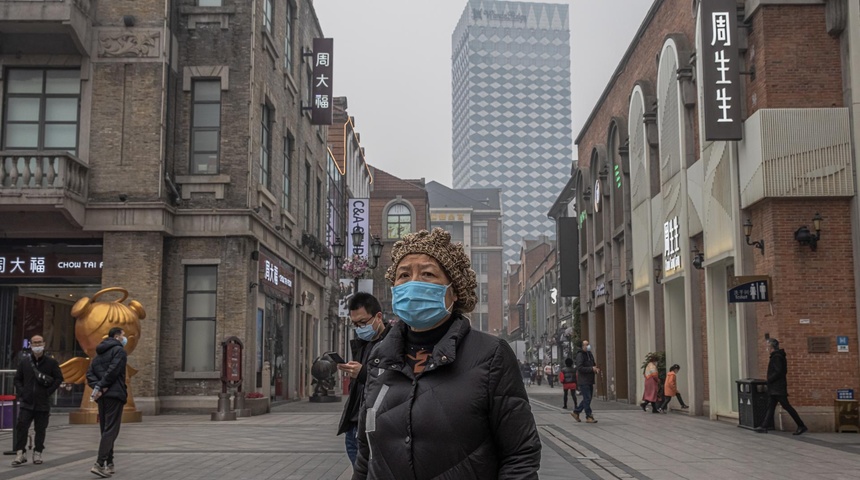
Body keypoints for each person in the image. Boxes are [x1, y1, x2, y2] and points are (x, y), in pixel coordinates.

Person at [352, 228, 541, 479]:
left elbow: (520, 456)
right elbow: (367, 454)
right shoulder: (380, 358)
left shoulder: (490, 355)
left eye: (428, 273)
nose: (413, 283)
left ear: (454, 291)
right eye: (404, 274)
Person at [336, 292, 391, 466]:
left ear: (378, 317)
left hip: (374, 428)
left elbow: (392, 382)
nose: (359, 328)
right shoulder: (362, 344)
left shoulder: (393, 344)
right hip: (354, 425)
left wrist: (362, 373)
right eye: (355, 324)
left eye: (363, 322)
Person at [11, 335, 63, 467]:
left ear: (44, 344)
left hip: (42, 402)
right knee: (22, 426)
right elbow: (17, 379)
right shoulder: (25, 362)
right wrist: (22, 391)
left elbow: (58, 378)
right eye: (35, 343)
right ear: (30, 345)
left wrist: (48, 392)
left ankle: (38, 451)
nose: (37, 345)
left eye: (39, 342)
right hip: (27, 401)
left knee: (41, 429)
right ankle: (20, 452)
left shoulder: (51, 362)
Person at [86, 327, 129, 477]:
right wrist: (102, 386)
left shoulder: (98, 355)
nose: (125, 338)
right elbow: (113, 370)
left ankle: (109, 463)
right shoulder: (119, 351)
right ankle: (99, 463)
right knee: (111, 429)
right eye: (124, 335)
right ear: (117, 336)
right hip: (114, 394)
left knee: (105, 429)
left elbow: (89, 374)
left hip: (102, 397)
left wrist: (98, 387)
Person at [755, 338, 808, 435]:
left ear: (771, 347)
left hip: (777, 387)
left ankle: (801, 425)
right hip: (775, 387)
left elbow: (779, 371)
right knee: (771, 406)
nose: (766, 348)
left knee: (786, 406)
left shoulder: (777, 357)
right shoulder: (777, 356)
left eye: (767, 346)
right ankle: (764, 426)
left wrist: (770, 379)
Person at [571, 340, 600, 423]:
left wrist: (595, 369)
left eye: (588, 344)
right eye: (586, 345)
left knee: (588, 398)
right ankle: (589, 416)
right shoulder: (580, 355)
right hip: (583, 380)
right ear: (582, 346)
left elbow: (592, 364)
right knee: (587, 398)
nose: (588, 346)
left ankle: (576, 412)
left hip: (590, 379)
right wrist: (591, 369)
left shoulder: (589, 354)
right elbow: (580, 368)